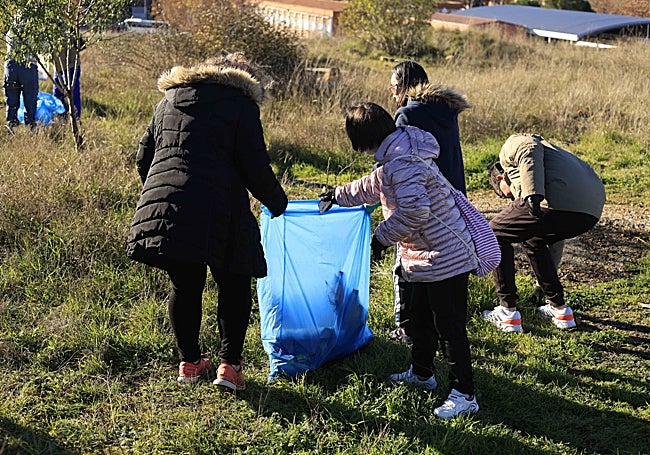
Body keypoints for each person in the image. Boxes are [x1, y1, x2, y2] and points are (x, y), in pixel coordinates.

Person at [126, 53, 288, 390]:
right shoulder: (241, 105)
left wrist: (168, 194)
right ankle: (229, 368)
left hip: (170, 207)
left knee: (184, 285)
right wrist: (277, 202)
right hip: (222, 209)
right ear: (243, 79)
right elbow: (254, 165)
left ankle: (189, 364)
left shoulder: (168, 101)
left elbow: (143, 159)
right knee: (234, 281)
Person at [320, 102, 479, 419]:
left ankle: (465, 395)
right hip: (425, 257)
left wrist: (381, 237)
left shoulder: (403, 161)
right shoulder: (397, 154)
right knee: (419, 318)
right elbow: (374, 185)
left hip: (445, 257)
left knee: (449, 329)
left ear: (363, 137)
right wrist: (337, 195)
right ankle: (422, 373)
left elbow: (415, 212)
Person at [482, 134, 606, 332]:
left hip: (557, 202)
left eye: (505, 195)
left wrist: (532, 194)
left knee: (492, 234)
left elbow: (528, 147)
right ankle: (560, 311)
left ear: (500, 178)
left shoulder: (510, 148)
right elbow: (552, 243)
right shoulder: (551, 162)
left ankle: (507, 313)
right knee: (534, 239)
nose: (511, 199)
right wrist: (542, 288)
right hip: (588, 211)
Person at [387, 61, 471, 344]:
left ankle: (407, 328)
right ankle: (435, 329)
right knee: (441, 267)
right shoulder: (444, 111)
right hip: (451, 199)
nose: (391, 93)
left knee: (407, 265)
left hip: (422, 200)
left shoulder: (407, 114)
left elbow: (399, 162)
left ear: (401, 86)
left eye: (393, 87)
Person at [4, 12, 39, 130]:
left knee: (11, 103)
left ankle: (11, 128)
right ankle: (30, 129)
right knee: (30, 103)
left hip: (11, 66)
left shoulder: (11, 26)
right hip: (29, 66)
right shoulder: (35, 24)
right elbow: (43, 46)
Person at [52, 31, 84, 119]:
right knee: (57, 94)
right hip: (58, 66)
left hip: (71, 65)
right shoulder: (49, 28)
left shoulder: (70, 27)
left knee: (73, 94)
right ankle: (60, 118)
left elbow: (80, 45)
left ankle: (76, 119)